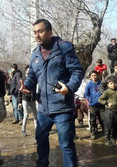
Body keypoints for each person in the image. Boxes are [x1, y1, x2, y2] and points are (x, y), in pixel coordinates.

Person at [20, 19, 84, 167]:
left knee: (66, 143)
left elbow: (77, 71)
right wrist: (27, 85)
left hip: (62, 105)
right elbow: (33, 76)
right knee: (41, 139)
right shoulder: (35, 53)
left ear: (50, 32)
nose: (37, 35)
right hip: (43, 107)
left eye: (40, 31)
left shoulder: (63, 48)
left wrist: (69, 87)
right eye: (35, 32)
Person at [84, 70, 105, 139]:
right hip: (93, 104)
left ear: (98, 76)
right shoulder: (89, 84)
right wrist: (89, 99)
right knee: (92, 119)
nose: (94, 77)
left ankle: (105, 130)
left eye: (95, 75)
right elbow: (86, 94)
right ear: (90, 77)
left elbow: (104, 92)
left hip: (101, 104)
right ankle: (93, 132)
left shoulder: (101, 83)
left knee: (102, 118)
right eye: (92, 76)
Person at [18, 65, 37, 136]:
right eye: (28, 71)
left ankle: (37, 129)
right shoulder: (22, 79)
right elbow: (19, 91)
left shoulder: (34, 79)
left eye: (30, 71)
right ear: (25, 71)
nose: (29, 72)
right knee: (26, 115)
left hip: (33, 99)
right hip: (25, 99)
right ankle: (23, 130)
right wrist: (19, 102)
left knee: (36, 115)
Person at [98, 76, 117, 146]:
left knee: (114, 125)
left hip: (116, 111)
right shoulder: (107, 92)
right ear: (108, 85)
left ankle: (112, 137)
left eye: (114, 83)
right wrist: (107, 103)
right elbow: (100, 100)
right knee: (108, 125)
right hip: (109, 111)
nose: (113, 84)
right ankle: (107, 139)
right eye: (111, 83)